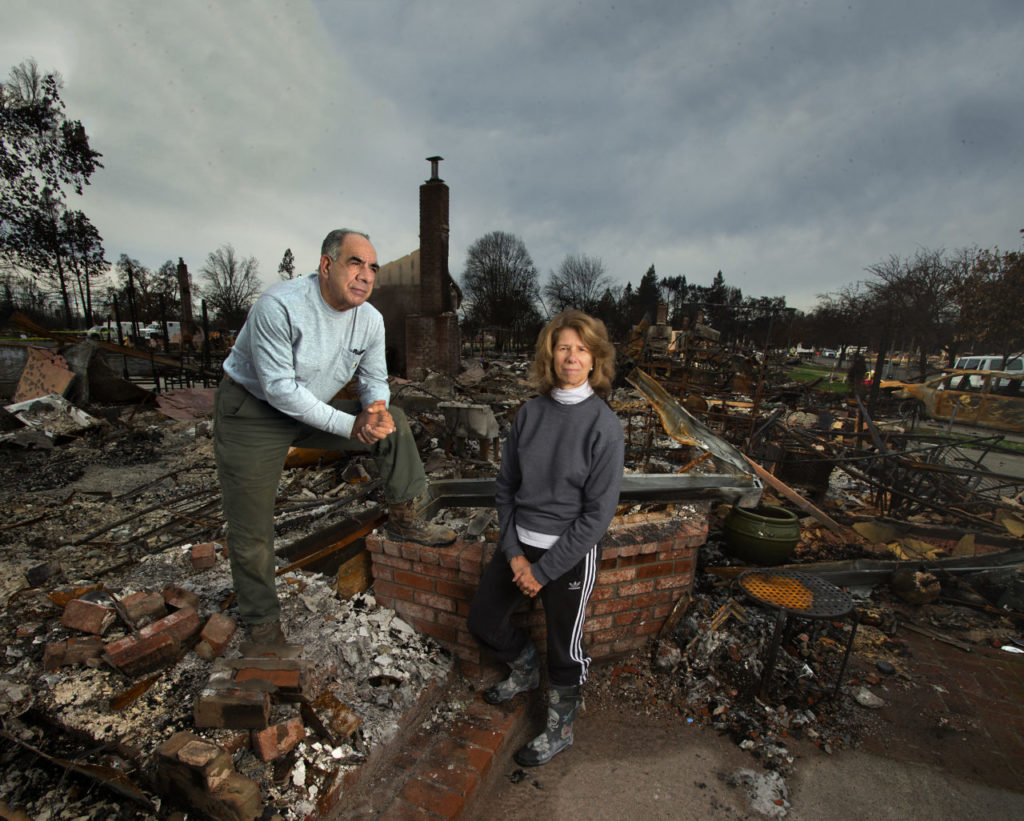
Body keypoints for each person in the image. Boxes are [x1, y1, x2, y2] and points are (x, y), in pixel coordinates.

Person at [214, 229, 455, 644]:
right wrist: (351, 425)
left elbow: (374, 379)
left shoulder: (370, 319)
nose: (366, 275)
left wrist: (375, 412)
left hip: (310, 403)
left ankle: (405, 519)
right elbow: (278, 390)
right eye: (354, 263)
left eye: (373, 267)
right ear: (326, 266)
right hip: (252, 410)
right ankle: (261, 623)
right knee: (252, 524)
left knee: (393, 423)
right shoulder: (279, 306)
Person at [467, 310, 624, 766]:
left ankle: (560, 729)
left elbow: (597, 516)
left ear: (595, 359)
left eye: (581, 349)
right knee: (483, 620)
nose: (571, 357)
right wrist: (515, 556)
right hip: (521, 545)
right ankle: (524, 668)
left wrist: (544, 570)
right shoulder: (529, 414)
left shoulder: (604, 425)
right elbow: (506, 490)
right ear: (550, 355)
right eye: (562, 347)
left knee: (564, 646)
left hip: (569, 554)